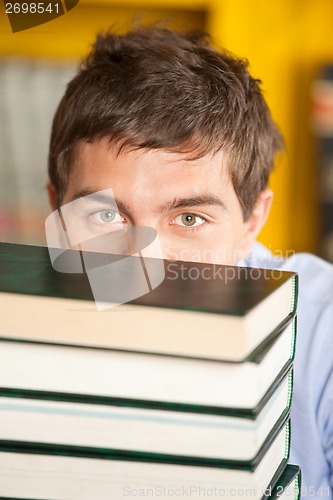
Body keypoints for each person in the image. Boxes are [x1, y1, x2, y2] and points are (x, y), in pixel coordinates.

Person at [47, 26, 333, 498]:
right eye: (104, 215)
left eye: (189, 217)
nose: (144, 265)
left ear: (252, 220)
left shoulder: (323, 327)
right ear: (56, 213)